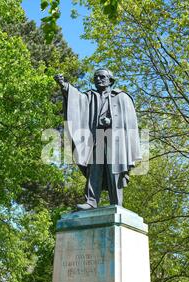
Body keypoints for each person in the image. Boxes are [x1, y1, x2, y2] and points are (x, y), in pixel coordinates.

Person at [54, 68, 141, 210]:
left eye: (102, 77)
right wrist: (64, 86)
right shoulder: (90, 96)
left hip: (115, 140)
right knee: (94, 170)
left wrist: (112, 122)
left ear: (110, 80)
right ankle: (91, 201)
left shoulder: (122, 97)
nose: (98, 79)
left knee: (115, 171)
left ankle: (116, 204)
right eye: (95, 77)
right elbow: (76, 100)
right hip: (97, 139)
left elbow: (129, 122)